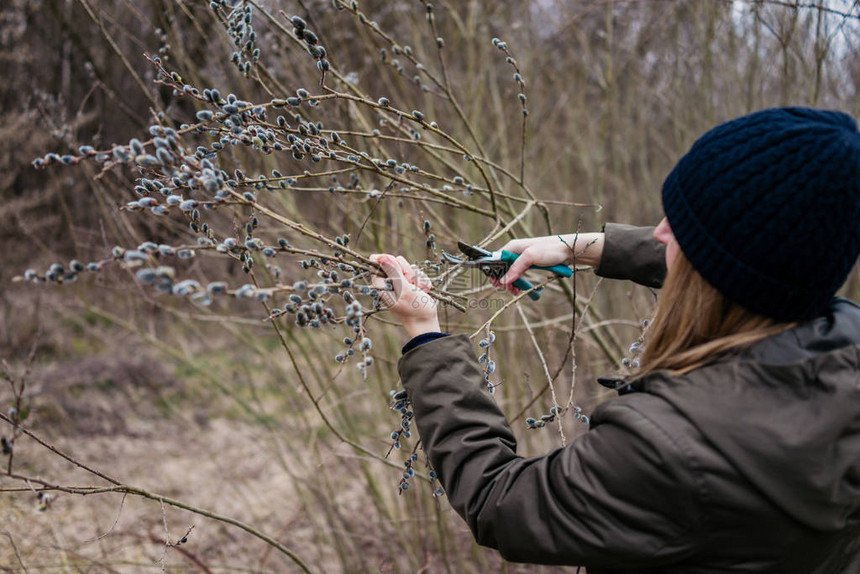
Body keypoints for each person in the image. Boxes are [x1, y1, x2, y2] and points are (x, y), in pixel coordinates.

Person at [369, 107, 860, 573]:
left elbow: (501, 502)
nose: (660, 230)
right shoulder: (843, 340)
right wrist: (582, 247)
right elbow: (740, 264)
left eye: (679, 226)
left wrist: (425, 336)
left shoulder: (671, 449)